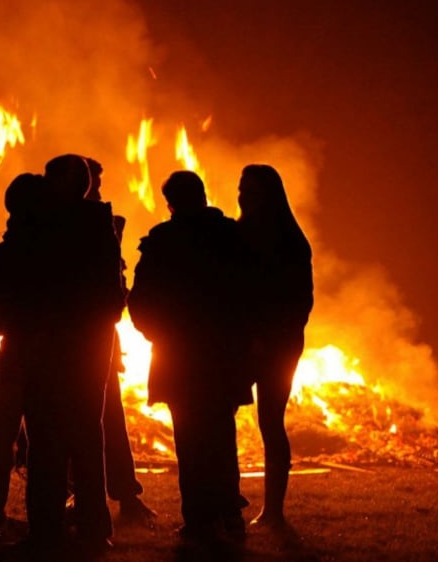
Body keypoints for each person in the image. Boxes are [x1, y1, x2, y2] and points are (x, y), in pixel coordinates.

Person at [127, 170, 250, 545]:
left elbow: (140, 301)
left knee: (191, 439)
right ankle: (228, 513)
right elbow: (248, 292)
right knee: (220, 433)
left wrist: (158, 334)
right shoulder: (230, 236)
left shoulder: (163, 242)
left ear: (171, 203)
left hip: (179, 356)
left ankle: (200, 518)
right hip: (221, 355)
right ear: (203, 195)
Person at [18, 154, 126, 553]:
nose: (45, 183)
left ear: (67, 183)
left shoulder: (51, 227)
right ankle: (92, 529)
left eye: (51, 177)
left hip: (59, 348)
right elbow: (114, 295)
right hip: (87, 345)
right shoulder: (99, 227)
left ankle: (49, 529)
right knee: (84, 435)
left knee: (48, 439)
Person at [237, 164, 313, 531]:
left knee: (270, 421)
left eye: (250, 191)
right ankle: (228, 505)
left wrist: (266, 338)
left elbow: (299, 301)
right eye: (241, 189)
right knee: (224, 422)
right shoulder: (240, 235)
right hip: (242, 341)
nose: (242, 196)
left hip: (277, 344)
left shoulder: (289, 241)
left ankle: (273, 510)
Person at [0, 172, 46, 537]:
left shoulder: (1, 254)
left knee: (3, 434)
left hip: (14, 351)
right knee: (46, 436)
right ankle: (44, 514)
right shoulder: (53, 252)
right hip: (49, 353)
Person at [84, 157, 156, 526]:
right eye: (92, 182)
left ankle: (125, 495)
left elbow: (115, 278)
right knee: (91, 420)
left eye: (96, 182)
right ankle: (93, 499)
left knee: (109, 415)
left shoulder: (101, 225)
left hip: (98, 337)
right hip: (79, 337)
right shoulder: (73, 226)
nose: (96, 189)